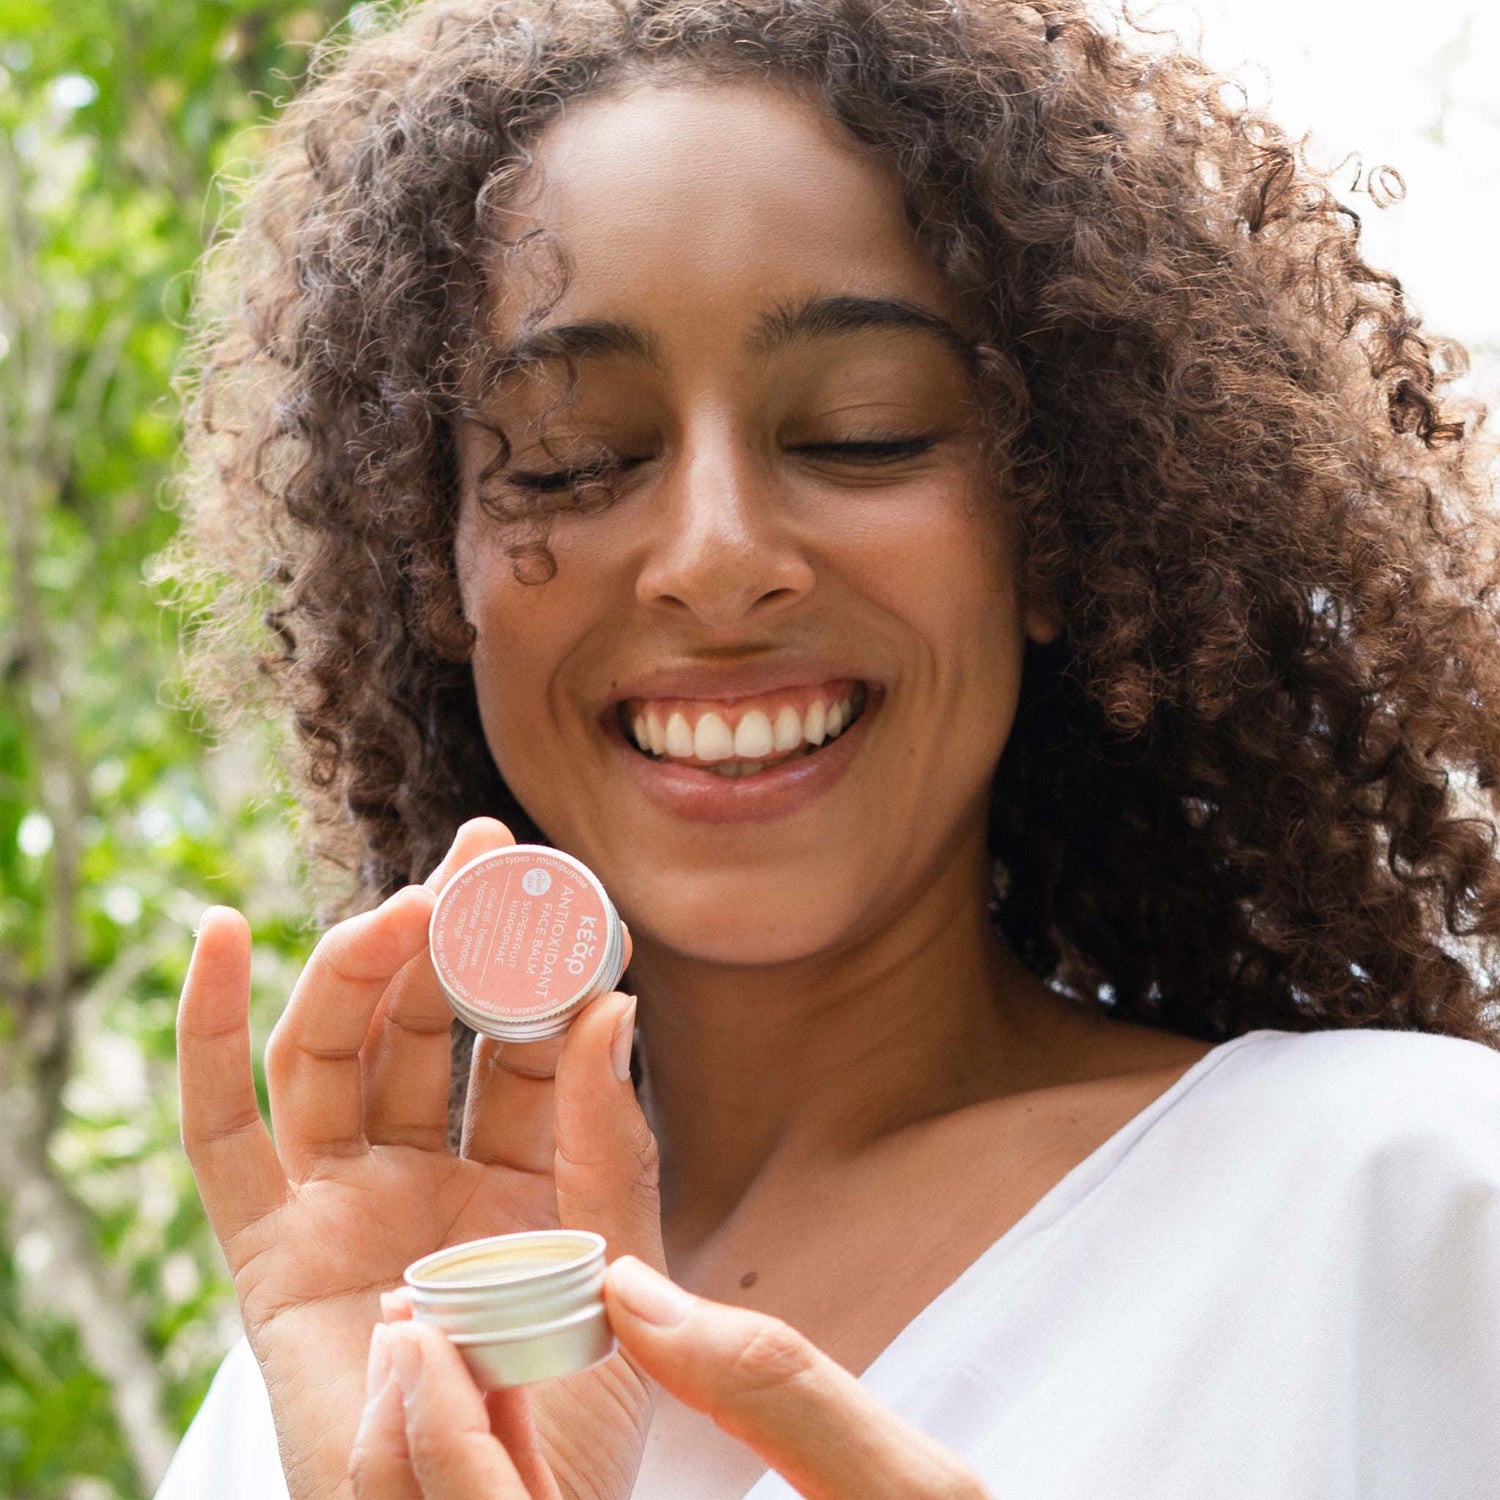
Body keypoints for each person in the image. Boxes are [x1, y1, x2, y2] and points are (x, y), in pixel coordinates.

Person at [159, 0, 1500, 1495]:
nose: (717, 557)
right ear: (438, 571)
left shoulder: (1419, 1205)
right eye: (573, 461)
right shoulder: (327, 1377)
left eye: (864, 432)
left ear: (1054, 533)